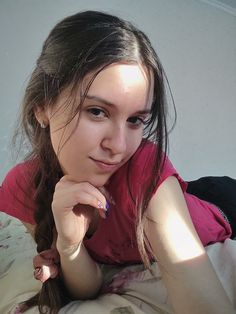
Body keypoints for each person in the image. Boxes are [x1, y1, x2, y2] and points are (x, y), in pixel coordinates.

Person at [0, 10, 235, 314]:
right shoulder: (22, 187)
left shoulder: (144, 167)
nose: (120, 146)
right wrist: (70, 247)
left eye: (136, 119)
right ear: (42, 107)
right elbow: (85, 286)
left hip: (222, 204)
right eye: (97, 111)